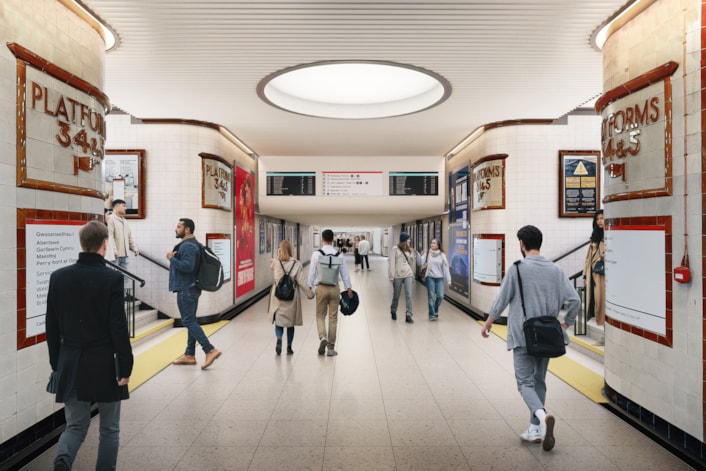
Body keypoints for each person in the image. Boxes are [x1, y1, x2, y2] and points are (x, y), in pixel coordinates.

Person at [480, 225, 580, 452]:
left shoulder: (517, 269)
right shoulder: (556, 270)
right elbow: (575, 300)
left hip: (523, 335)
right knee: (539, 381)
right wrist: (566, 323)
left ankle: (542, 416)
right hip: (547, 336)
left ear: (522, 245)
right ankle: (535, 429)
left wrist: (488, 323)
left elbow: (501, 300)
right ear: (539, 243)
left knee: (524, 382)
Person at [45, 220, 134, 471]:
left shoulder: (59, 277)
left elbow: (51, 325)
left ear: (82, 244)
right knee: (109, 428)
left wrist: (57, 364)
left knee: (75, 425)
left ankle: (63, 461)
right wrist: (125, 366)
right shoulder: (113, 279)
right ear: (105, 245)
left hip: (70, 361)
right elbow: (118, 327)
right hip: (106, 363)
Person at [167, 218, 222, 369]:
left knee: (188, 321)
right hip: (191, 288)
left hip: (186, 289)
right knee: (191, 320)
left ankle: (209, 349)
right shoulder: (191, 244)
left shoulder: (188, 246)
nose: (175, 229)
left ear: (187, 230)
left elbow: (187, 267)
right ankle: (189, 354)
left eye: (178, 227)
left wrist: (172, 259)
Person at [308, 229, 354, 356]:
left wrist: (310, 288)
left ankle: (323, 337)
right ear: (333, 239)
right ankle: (331, 348)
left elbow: (312, 272)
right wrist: (348, 288)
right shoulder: (339, 255)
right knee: (333, 318)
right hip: (334, 288)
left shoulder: (316, 254)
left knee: (320, 315)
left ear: (322, 239)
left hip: (321, 288)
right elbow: (345, 273)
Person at [268, 240, 315, 355]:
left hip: (278, 297)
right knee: (290, 324)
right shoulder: (297, 264)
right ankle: (289, 347)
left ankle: (279, 339)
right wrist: (310, 294)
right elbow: (302, 282)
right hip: (291, 297)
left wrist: (278, 255)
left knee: (279, 322)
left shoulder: (276, 262)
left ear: (280, 250)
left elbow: (271, 266)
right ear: (291, 250)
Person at [388, 231, 423, 323]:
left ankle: (408, 315)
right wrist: (391, 277)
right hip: (398, 275)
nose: (410, 241)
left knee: (409, 295)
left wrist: (412, 275)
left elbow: (412, 264)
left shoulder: (410, 250)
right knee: (396, 295)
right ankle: (393, 310)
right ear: (404, 240)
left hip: (408, 274)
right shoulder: (395, 249)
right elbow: (392, 263)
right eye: (408, 239)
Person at [583, 210, 605, 346]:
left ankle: (606, 336)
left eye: (602, 218)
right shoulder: (594, 237)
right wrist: (585, 275)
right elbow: (587, 259)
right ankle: (605, 334)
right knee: (598, 304)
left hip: (603, 278)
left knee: (603, 306)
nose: (600, 221)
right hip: (593, 277)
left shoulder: (609, 236)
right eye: (597, 219)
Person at [422, 239, 451, 320]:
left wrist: (449, 280)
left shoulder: (442, 255)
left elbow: (446, 268)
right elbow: (420, 262)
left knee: (440, 296)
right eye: (431, 242)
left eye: (434, 243)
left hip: (439, 278)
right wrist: (416, 255)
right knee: (431, 296)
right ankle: (431, 315)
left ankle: (435, 310)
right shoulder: (428, 254)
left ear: (438, 245)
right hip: (430, 277)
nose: (432, 244)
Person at [107, 199, 139, 270]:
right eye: (124, 206)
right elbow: (110, 236)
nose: (126, 208)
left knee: (125, 278)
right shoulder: (110, 219)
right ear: (117, 206)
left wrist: (134, 248)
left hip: (125, 255)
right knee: (114, 278)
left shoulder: (124, 220)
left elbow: (129, 236)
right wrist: (114, 251)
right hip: (115, 255)